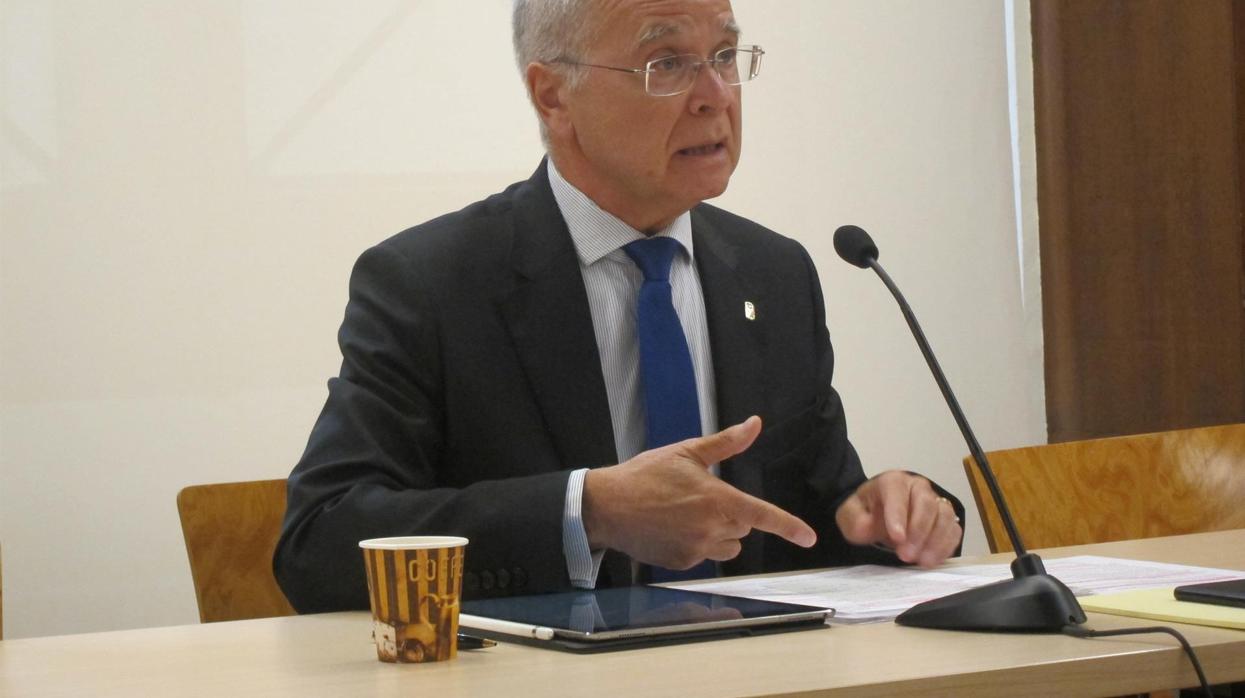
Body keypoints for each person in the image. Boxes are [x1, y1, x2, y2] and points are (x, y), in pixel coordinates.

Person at [273, 0, 964, 613]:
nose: (715, 94)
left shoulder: (772, 273)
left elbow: (813, 508)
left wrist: (874, 514)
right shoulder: (431, 282)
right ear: (552, 96)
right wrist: (587, 512)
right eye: (666, 63)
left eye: (724, 55)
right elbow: (320, 543)